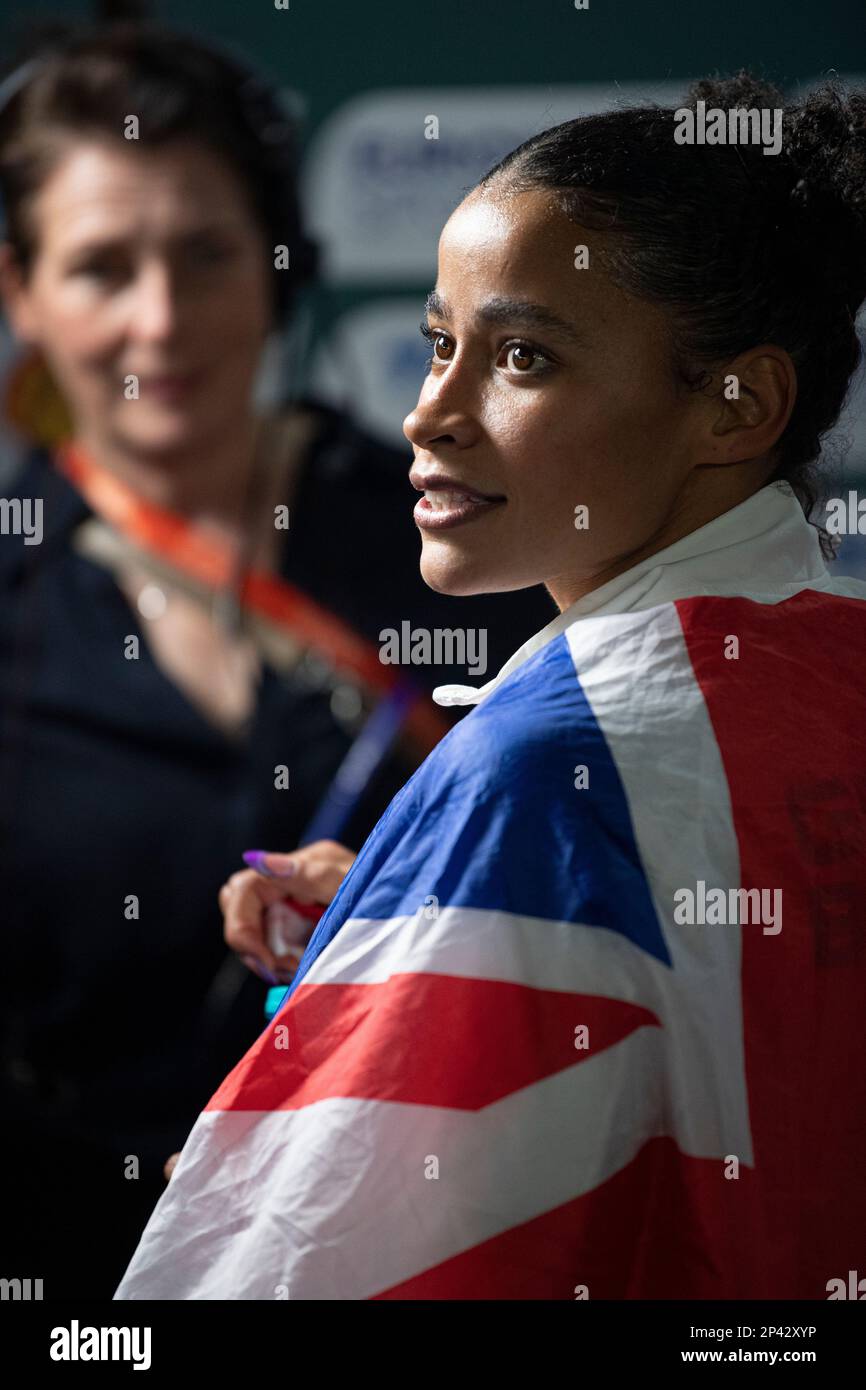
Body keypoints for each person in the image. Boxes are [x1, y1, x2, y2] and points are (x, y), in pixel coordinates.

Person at [115, 71, 866, 1300]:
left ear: (737, 406)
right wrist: (418, 915)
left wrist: (467, 883)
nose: (429, 415)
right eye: (437, 345)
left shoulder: (543, 768)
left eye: (521, 356)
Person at [0, 19, 553, 1300]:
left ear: (278, 261)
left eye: (205, 253)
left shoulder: (474, 538)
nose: (162, 318)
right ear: (21, 291)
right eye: (100, 267)